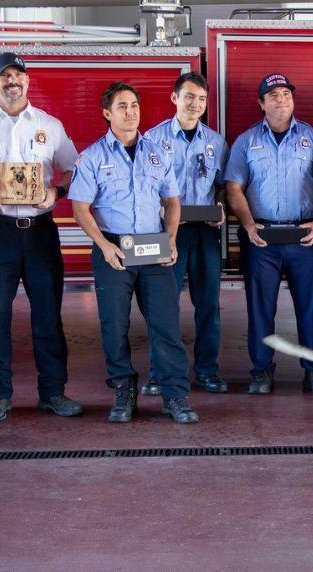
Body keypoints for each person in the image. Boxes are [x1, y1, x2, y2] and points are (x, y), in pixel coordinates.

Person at [0, 52, 83, 423]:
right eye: (5, 76)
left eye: (19, 75)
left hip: (41, 234)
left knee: (47, 316)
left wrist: (55, 194)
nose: (13, 81)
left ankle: (53, 392)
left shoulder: (49, 125)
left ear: (29, 81)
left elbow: (74, 168)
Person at [69, 82, 200, 424]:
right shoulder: (93, 157)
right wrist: (104, 245)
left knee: (166, 325)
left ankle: (175, 395)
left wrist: (171, 240)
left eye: (134, 106)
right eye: (122, 106)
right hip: (114, 249)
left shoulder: (157, 152)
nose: (130, 112)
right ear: (107, 114)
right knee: (114, 325)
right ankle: (124, 390)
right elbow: (80, 208)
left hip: (154, 248)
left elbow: (172, 201)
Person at [224, 73, 313, 396]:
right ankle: (261, 371)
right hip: (262, 238)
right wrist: (247, 225)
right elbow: (233, 187)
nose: (281, 100)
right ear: (261, 103)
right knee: (260, 309)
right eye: (273, 95)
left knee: (312, 308)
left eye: (286, 94)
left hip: (304, 235)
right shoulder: (246, 142)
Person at [140, 72, 229, 396]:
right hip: (166, 233)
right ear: (175, 98)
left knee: (208, 304)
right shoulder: (151, 139)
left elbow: (222, 188)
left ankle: (207, 370)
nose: (195, 104)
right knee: (163, 305)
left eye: (202, 99)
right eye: (189, 97)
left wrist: (220, 209)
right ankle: (159, 372)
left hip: (204, 233)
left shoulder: (216, 142)